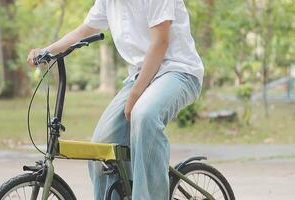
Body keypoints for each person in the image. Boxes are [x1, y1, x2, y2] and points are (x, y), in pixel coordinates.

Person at [27, 0, 203, 199]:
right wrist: (46, 51)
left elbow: (160, 42)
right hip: (141, 76)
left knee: (144, 115)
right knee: (102, 146)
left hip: (178, 71)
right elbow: (81, 31)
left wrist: (135, 95)